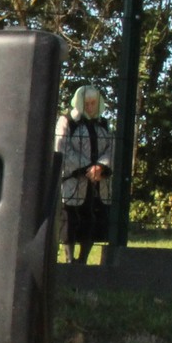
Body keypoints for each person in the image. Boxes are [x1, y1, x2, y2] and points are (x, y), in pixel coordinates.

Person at [57, 84, 115, 264]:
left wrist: (101, 167)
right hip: (73, 181)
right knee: (70, 219)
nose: (90, 107)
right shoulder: (67, 121)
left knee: (92, 219)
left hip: (98, 182)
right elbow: (62, 148)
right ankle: (69, 259)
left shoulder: (103, 124)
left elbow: (112, 149)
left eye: (94, 103)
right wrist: (87, 167)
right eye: (87, 103)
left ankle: (83, 260)